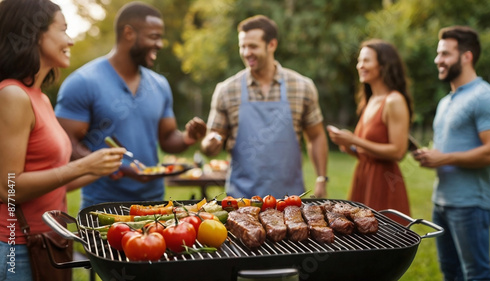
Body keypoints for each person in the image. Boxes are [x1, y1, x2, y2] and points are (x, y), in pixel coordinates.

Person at [0, 0, 125, 280]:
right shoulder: (12, 95)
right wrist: (82, 166)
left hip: (49, 240)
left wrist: (98, 169)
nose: (70, 40)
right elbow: (8, 188)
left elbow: (50, 182)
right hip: (16, 247)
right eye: (63, 30)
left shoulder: (40, 98)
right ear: (34, 34)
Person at [55, 2, 206, 210]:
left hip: (155, 205)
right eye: (154, 36)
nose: (160, 44)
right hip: (103, 205)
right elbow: (67, 143)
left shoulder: (159, 85)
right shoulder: (83, 82)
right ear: (128, 33)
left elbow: (168, 138)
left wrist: (188, 137)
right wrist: (116, 168)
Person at [200, 15, 329, 199]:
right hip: (241, 200)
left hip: (290, 199)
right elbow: (211, 142)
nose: (246, 52)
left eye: (253, 46)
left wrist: (321, 178)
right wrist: (209, 142)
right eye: (242, 46)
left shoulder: (302, 87)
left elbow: (316, 136)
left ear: (272, 45)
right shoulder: (227, 90)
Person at [413, 26, 490, 281]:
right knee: (450, 273)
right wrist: (432, 157)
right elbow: (451, 150)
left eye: (445, 54)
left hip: (470, 205)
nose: (437, 60)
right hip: (442, 202)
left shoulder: (485, 97)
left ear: (466, 56)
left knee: (477, 276)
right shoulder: (446, 101)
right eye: (438, 54)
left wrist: (445, 158)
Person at [327, 39, 413, 224]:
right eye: (359, 61)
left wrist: (355, 140)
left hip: (383, 183)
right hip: (363, 177)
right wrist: (347, 145)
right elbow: (366, 153)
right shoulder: (370, 100)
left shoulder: (393, 101)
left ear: (383, 65)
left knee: (385, 240)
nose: (360, 66)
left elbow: (398, 151)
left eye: (366, 60)